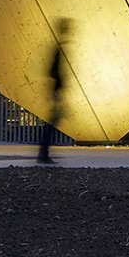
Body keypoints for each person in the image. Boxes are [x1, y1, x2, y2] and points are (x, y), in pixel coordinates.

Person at [39, 18, 73, 164]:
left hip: (57, 89)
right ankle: (43, 153)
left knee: (53, 121)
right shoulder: (59, 48)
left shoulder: (59, 47)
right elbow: (53, 70)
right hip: (56, 89)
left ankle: (44, 152)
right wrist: (60, 85)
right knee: (53, 121)